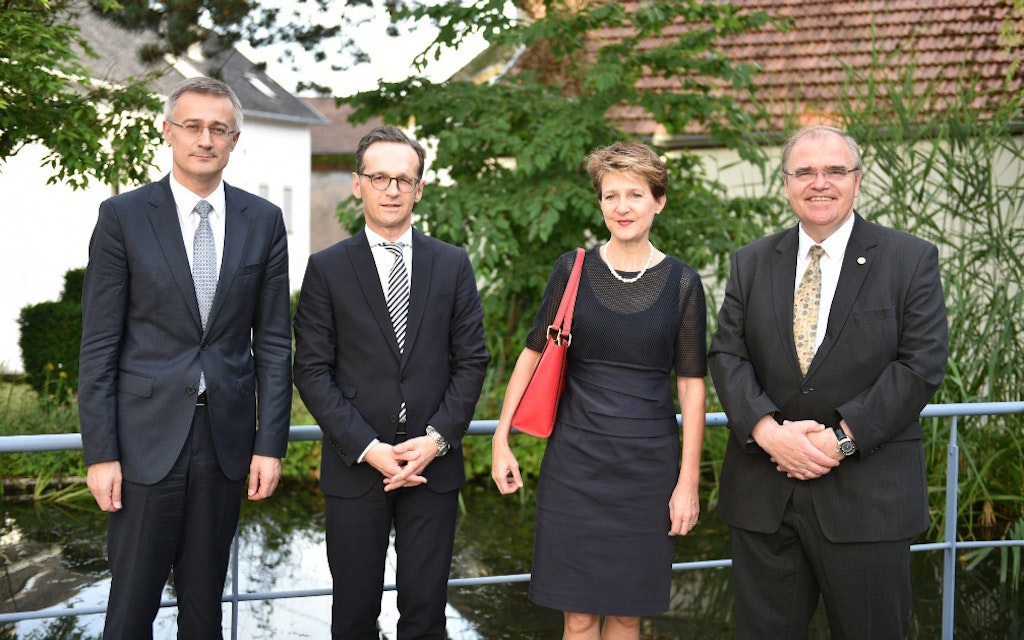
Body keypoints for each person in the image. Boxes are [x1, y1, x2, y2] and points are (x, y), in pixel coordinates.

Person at [709, 125, 949, 639]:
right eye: (805, 171)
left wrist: (840, 440)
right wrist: (767, 432)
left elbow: (920, 365)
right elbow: (727, 354)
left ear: (857, 181)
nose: (820, 183)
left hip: (867, 501)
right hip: (764, 496)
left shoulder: (909, 260)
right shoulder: (751, 262)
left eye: (835, 170)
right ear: (787, 182)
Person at [78, 77, 293, 639]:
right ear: (168, 132)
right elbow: (99, 344)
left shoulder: (263, 220)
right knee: (129, 613)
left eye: (218, 129)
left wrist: (270, 444)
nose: (205, 139)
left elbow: (272, 343)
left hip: (225, 444)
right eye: (193, 126)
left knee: (204, 612)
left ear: (234, 140)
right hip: (142, 445)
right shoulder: (122, 216)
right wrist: (100, 453)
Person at [491, 141, 707, 640]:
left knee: (628, 614)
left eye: (635, 194)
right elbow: (532, 355)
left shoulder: (682, 283)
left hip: (647, 472)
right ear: (600, 204)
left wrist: (687, 482)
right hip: (575, 466)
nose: (623, 207)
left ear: (659, 201)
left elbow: (692, 389)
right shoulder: (573, 269)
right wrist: (502, 438)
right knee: (579, 616)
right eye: (611, 196)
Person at [292, 125, 489, 639]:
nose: (392, 189)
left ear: (420, 189)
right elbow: (310, 370)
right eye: (379, 177)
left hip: (433, 467)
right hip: (357, 467)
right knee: (354, 616)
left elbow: (472, 361)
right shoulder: (327, 269)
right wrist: (367, 447)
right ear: (358, 184)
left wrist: (438, 439)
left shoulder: (452, 264)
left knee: (425, 616)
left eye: (404, 179)